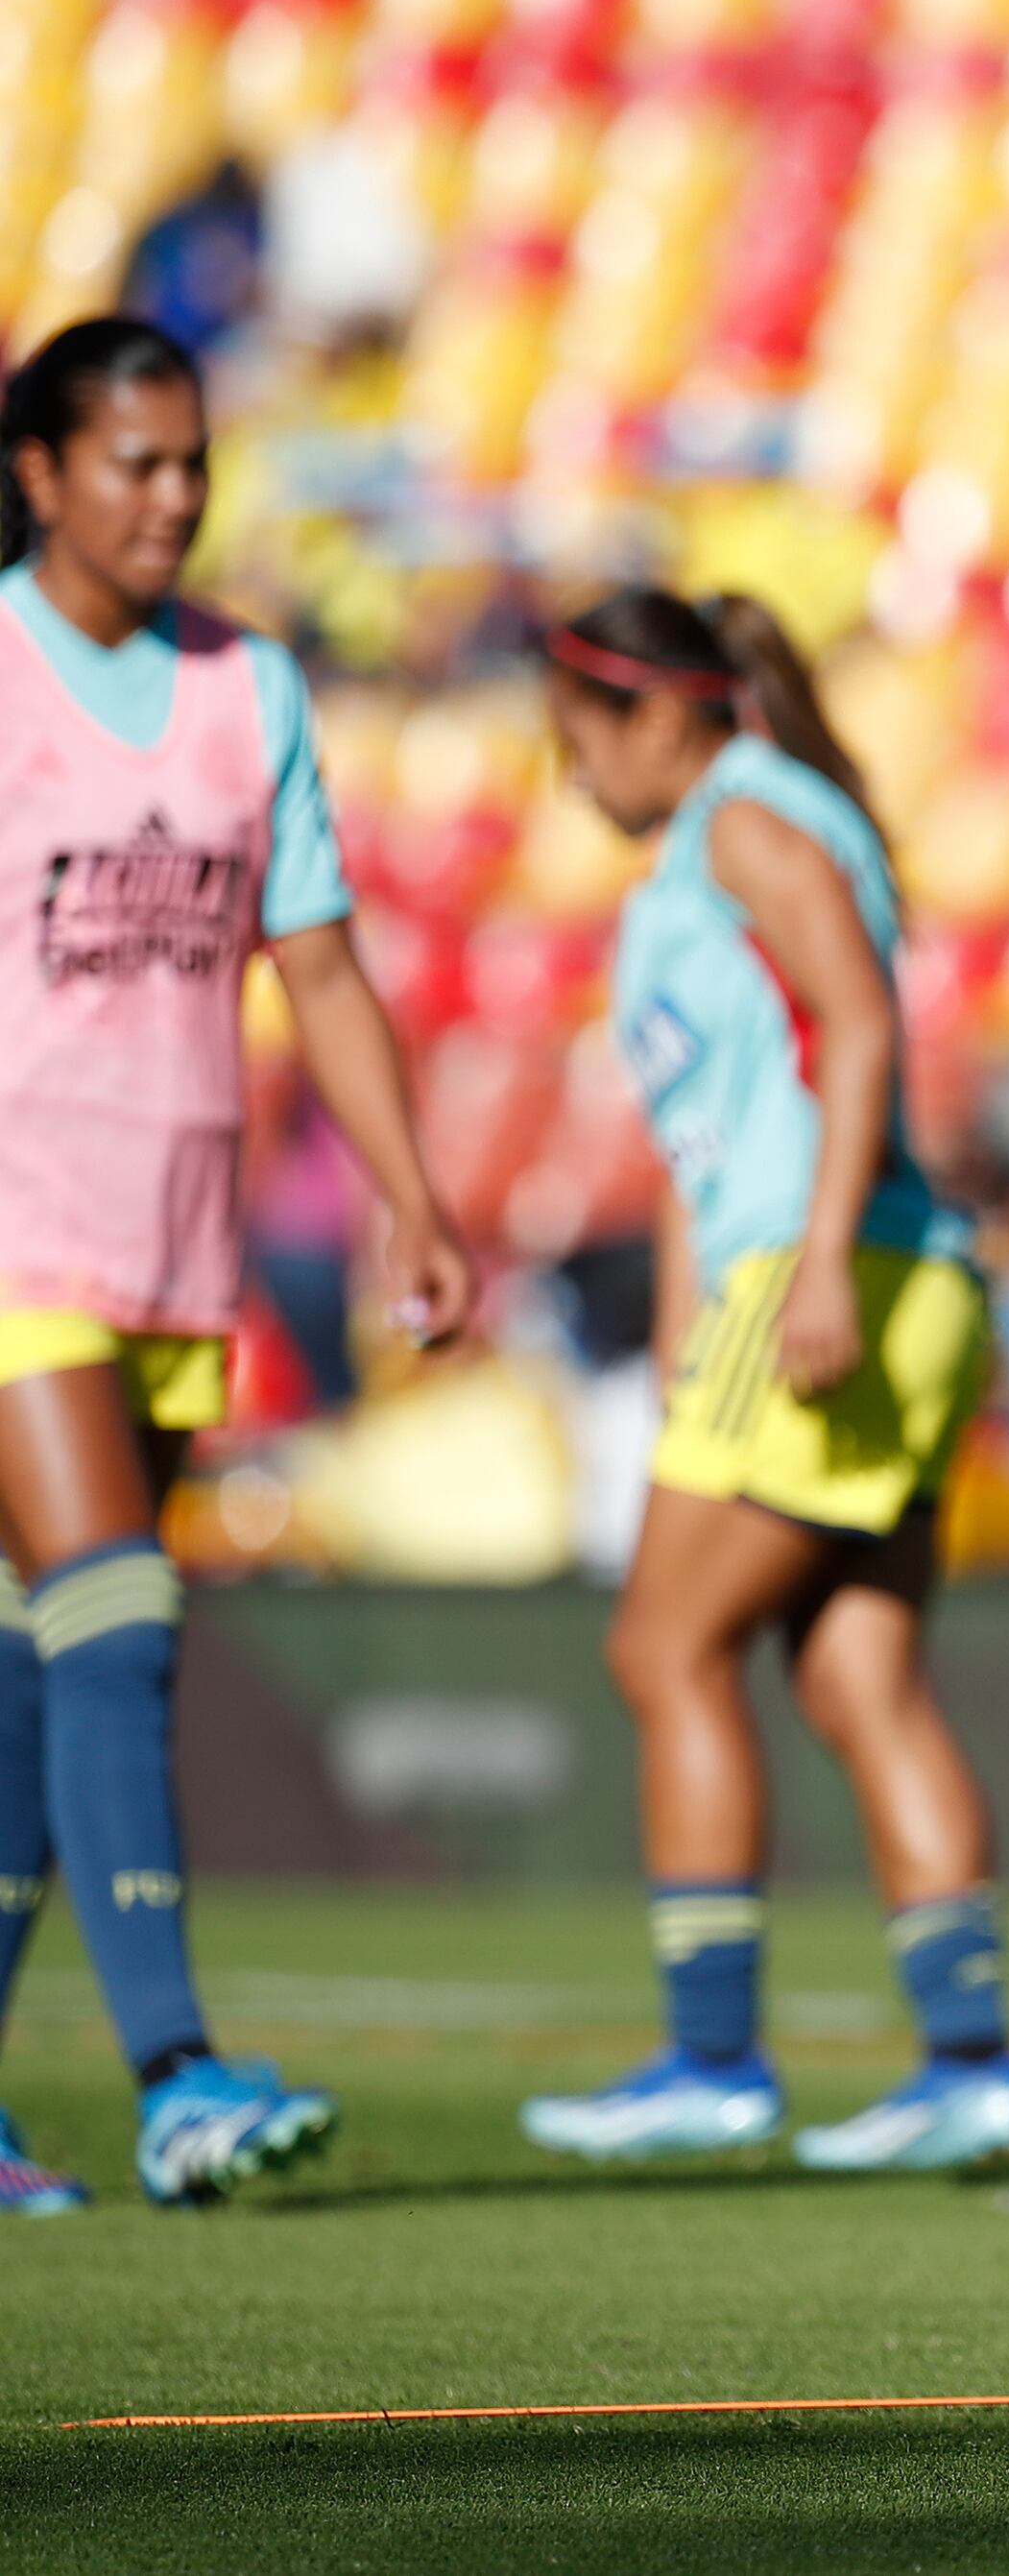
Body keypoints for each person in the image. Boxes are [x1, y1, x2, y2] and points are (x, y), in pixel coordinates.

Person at [0, 316, 472, 2212]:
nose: (175, 496)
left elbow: (321, 967)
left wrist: (411, 1194)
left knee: (38, 1675)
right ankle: (176, 2073)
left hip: (174, 1245)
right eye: (136, 462)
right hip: (19, 1233)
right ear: (40, 473)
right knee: (120, 1618)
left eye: (193, 461)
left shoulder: (244, 684)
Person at [518, 587, 1009, 2175]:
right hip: (889, 1277)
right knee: (857, 1679)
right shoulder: (739, 833)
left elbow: (859, 1027)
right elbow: (709, 1141)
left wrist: (812, 1265)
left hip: (832, 1272)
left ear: (659, 717)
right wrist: (696, 1329)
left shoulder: (745, 824)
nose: (570, 775)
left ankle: (711, 2057)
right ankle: (971, 2065)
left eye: (580, 737)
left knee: (662, 1645)